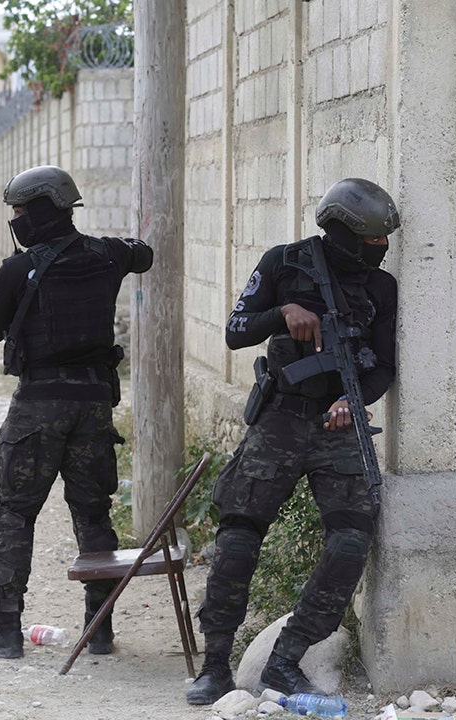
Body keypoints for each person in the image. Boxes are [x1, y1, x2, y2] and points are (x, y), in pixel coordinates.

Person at [186, 178, 400, 704]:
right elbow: (237, 330)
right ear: (343, 232)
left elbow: (385, 367)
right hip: (281, 420)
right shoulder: (284, 262)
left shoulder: (381, 287)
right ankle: (214, 664)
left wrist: (352, 401)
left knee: (352, 539)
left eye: (383, 241)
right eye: (372, 240)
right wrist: (281, 313)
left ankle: (285, 659)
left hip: (338, 427)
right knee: (238, 534)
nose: (381, 249)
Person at [0, 165, 153, 659]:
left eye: (19, 211)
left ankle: (7, 628)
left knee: (15, 512)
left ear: (39, 211)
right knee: (93, 513)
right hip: (93, 405)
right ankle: (100, 628)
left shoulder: (17, 269)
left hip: (37, 408)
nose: (16, 219)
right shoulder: (107, 254)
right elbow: (144, 253)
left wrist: (2, 299)